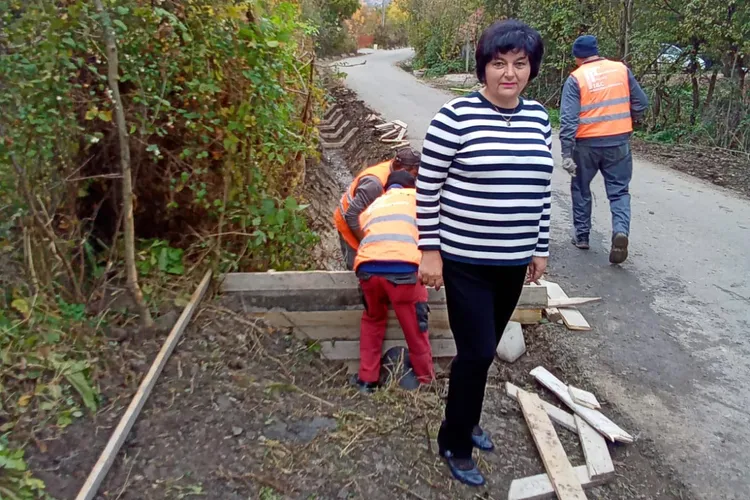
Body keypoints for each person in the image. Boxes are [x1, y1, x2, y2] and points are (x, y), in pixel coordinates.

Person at [416, 20, 552, 486]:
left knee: (485, 350)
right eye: (499, 63)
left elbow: (541, 191)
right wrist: (429, 251)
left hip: (513, 261)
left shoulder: (539, 118)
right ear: (483, 68)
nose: (509, 73)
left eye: (519, 63)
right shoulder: (454, 117)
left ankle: (468, 417)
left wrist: (539, 248)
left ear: (531, 68)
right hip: (466, 262)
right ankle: (454, 440)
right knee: (475, 352)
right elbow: (427, 189)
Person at [559, 34, 649, 264]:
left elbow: (569, 120)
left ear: (577, 57)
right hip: (618, 142)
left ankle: (582, 237)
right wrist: (631, 121)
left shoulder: (576, 78)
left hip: (586, 145)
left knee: (580, 188)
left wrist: (566, 153)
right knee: (619, 191)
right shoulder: (620, 69)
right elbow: (642, 102)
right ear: (597, 51)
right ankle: (620, 231)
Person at [353, 170, 435, 393]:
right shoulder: (418, 200)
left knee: (372, 320)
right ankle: (426, 382)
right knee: (415, 330)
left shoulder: (375, 204)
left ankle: (366, 381)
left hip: (368, 271)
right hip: (404, 273)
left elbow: (362, 227)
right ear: (412, 186)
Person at [334, 148, 421, 270]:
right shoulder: (374, 184)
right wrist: (367, 242)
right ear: (403, 170)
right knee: (359, 267)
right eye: (415, 174)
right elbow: (352, 215)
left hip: (371, 219)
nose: (415, 179)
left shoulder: (394, 170)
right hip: (352, 227)